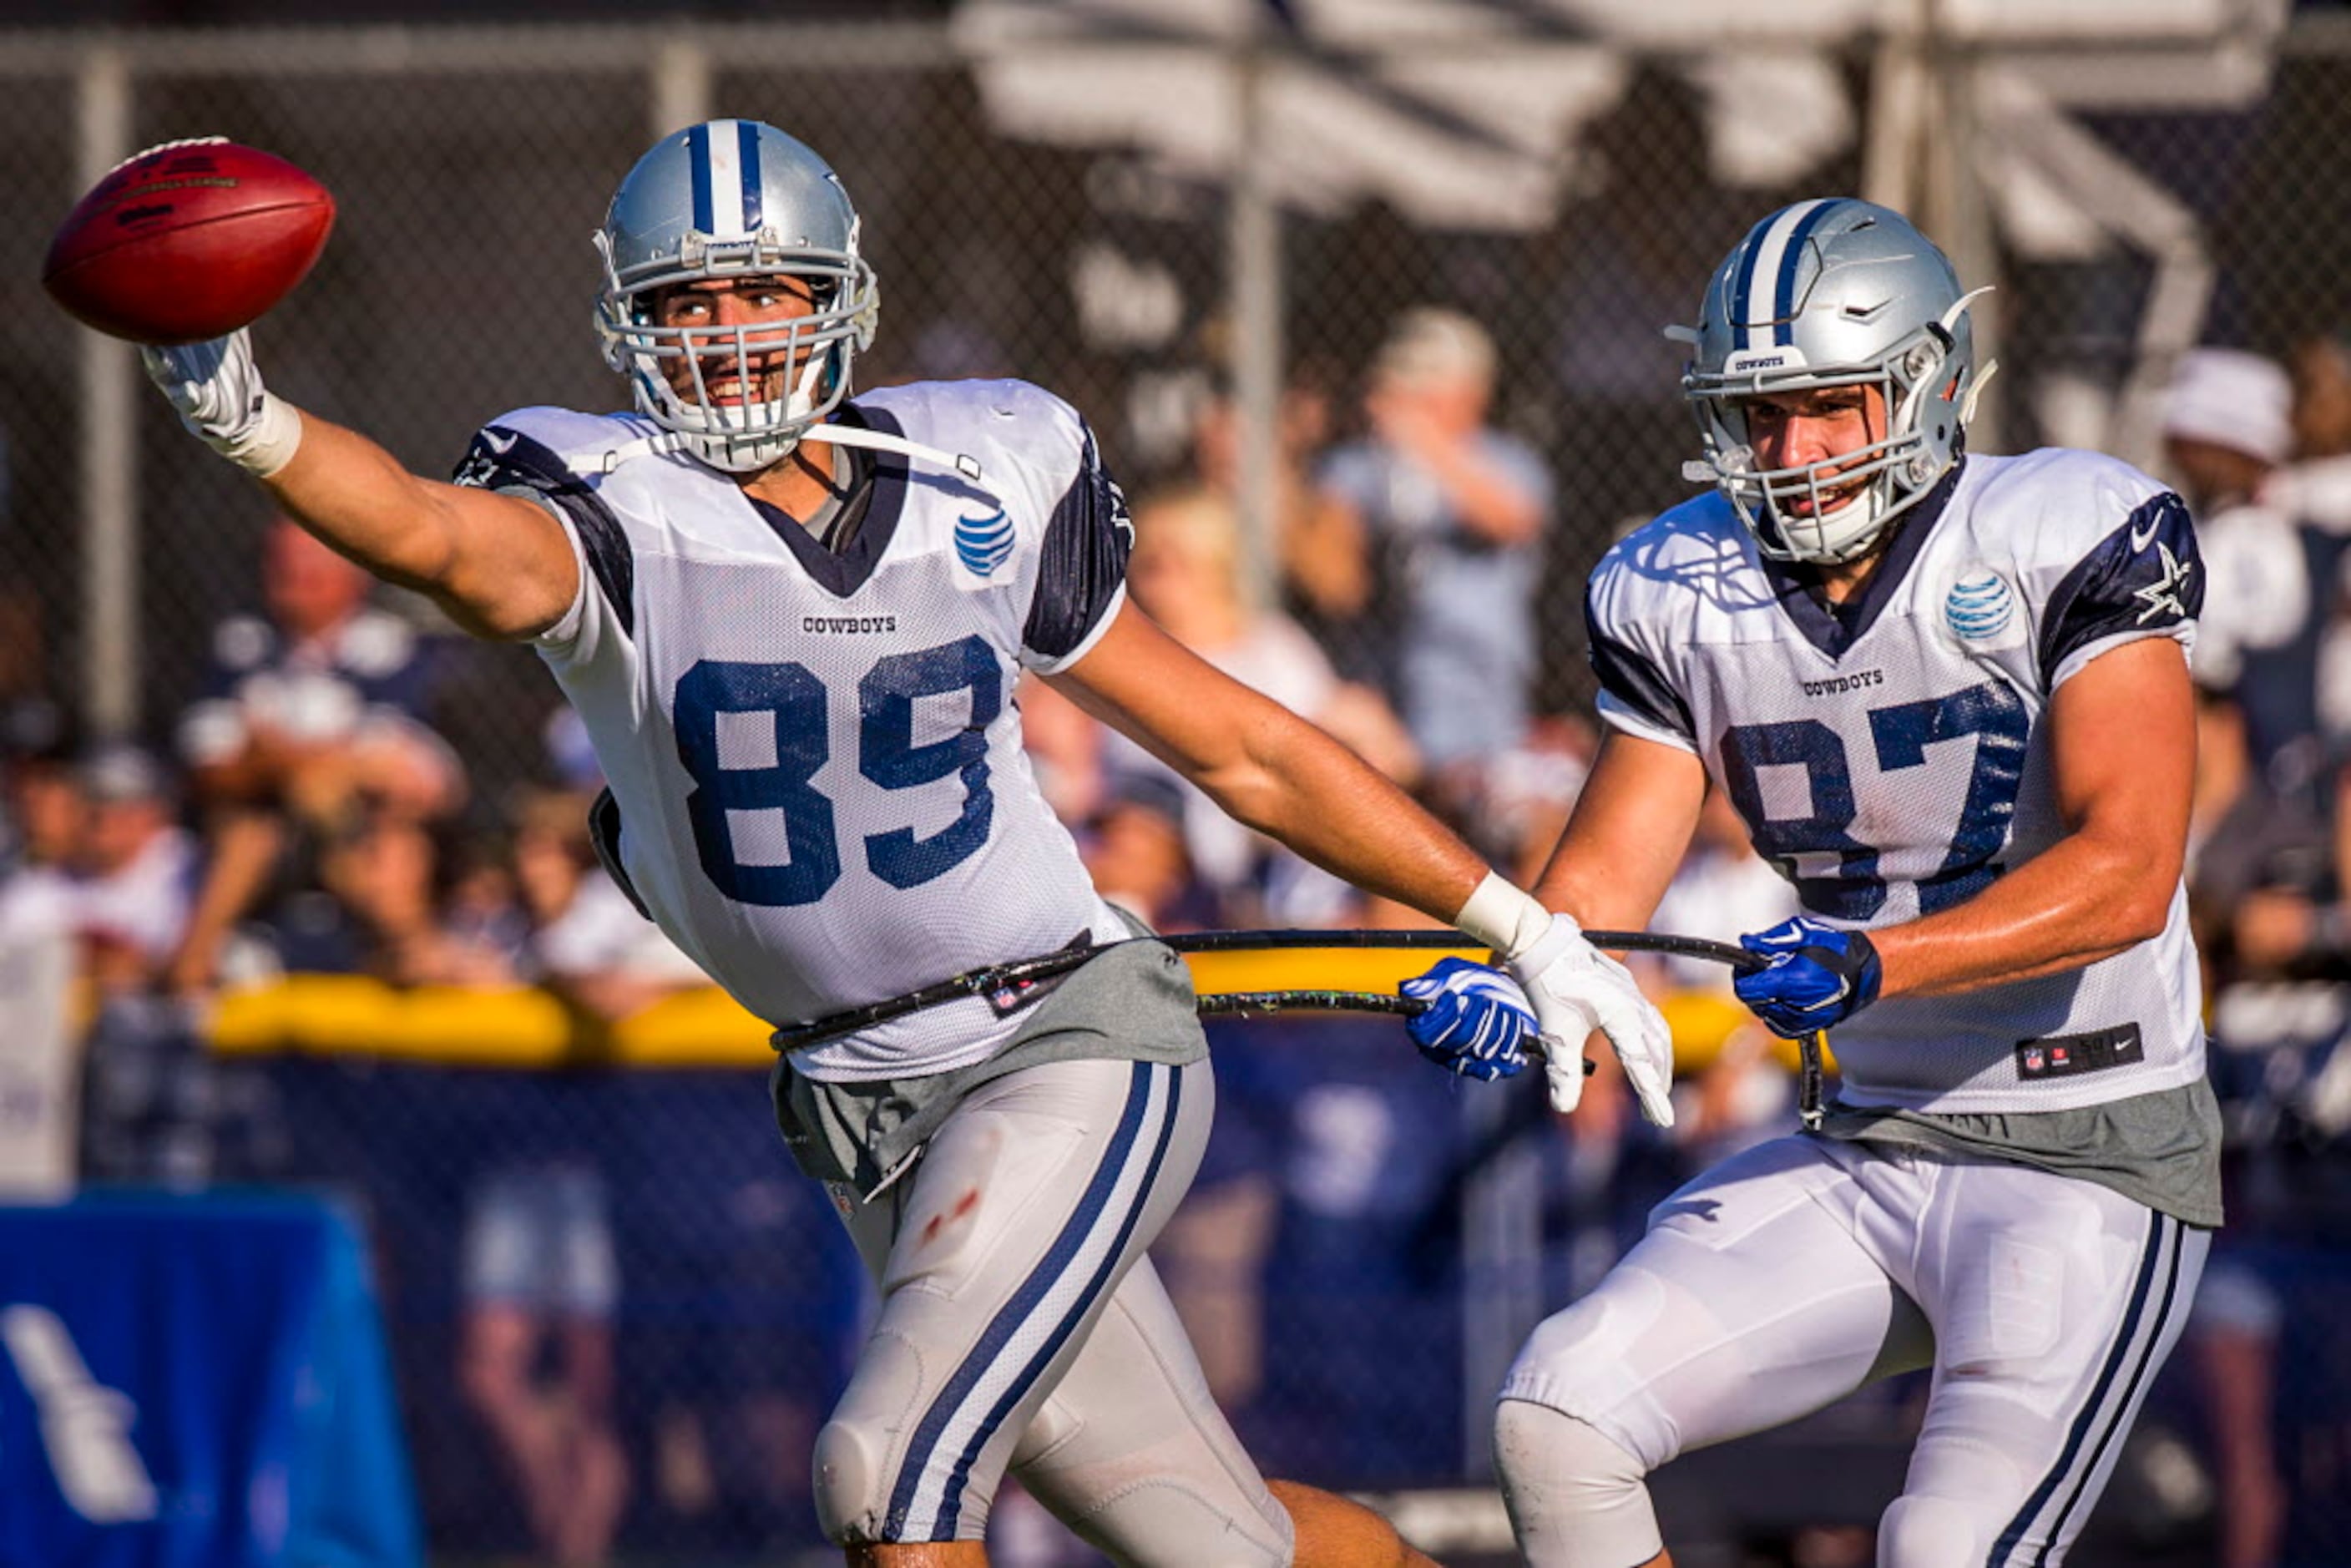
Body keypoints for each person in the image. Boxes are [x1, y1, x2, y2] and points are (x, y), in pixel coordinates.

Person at [130, 118, 1670, 1566]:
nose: (730, 334)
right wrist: (244, 416)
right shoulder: (603, 503)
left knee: (885, 1465)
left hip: (1063, 1041)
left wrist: (1520, 925)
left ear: (838, 297)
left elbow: (1245, 747)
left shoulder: (978, 473)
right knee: (1221, 1538)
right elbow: (428, 531)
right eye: (690, 302)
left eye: (763, 291)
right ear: (630, 326)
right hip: (862, 1103)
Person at [1402, 198, 2217, 1566]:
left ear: (1928, 379)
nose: (1791, 450)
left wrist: (1880, 959)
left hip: (2089, 1143)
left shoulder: (2063, 525)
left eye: (1829, 404)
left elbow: (2129, 868)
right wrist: (1533, 967)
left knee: (1946, 1545)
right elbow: (1612, 861)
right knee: (1557, 1413)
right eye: (1760, 412)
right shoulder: (1677, 581)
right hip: (1867, 1134)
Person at [1317, 306, 1551, 781]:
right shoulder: (1359, 465)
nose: (1415, 399)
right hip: (1376, 669)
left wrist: (1423, 442)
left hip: (1472, 669)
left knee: (1464, 791)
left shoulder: (1506, 459)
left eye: (1433, 387)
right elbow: (1331, 577)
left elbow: (1513, 520)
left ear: (1474, 392)